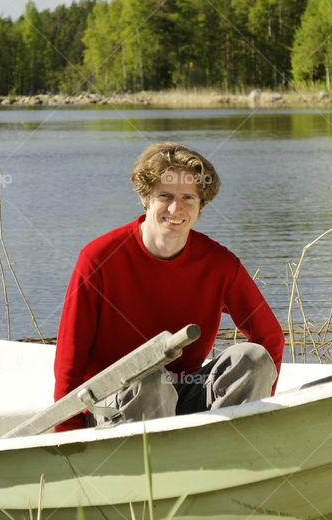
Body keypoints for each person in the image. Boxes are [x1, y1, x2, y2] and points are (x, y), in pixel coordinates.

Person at [53, 142, 285, 432]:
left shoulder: (219, 263)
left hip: (184, 395)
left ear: (202, 204)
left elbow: (270, 337)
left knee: (253, 358)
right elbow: (70, 357)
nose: (176, 209)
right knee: (151, 382)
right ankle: (155, 465)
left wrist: (262, 406)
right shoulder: (98, 258)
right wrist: (68, 433)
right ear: (145, 198)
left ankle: (230, 444)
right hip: (111, 406)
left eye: (188, 197)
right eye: (165, 196)